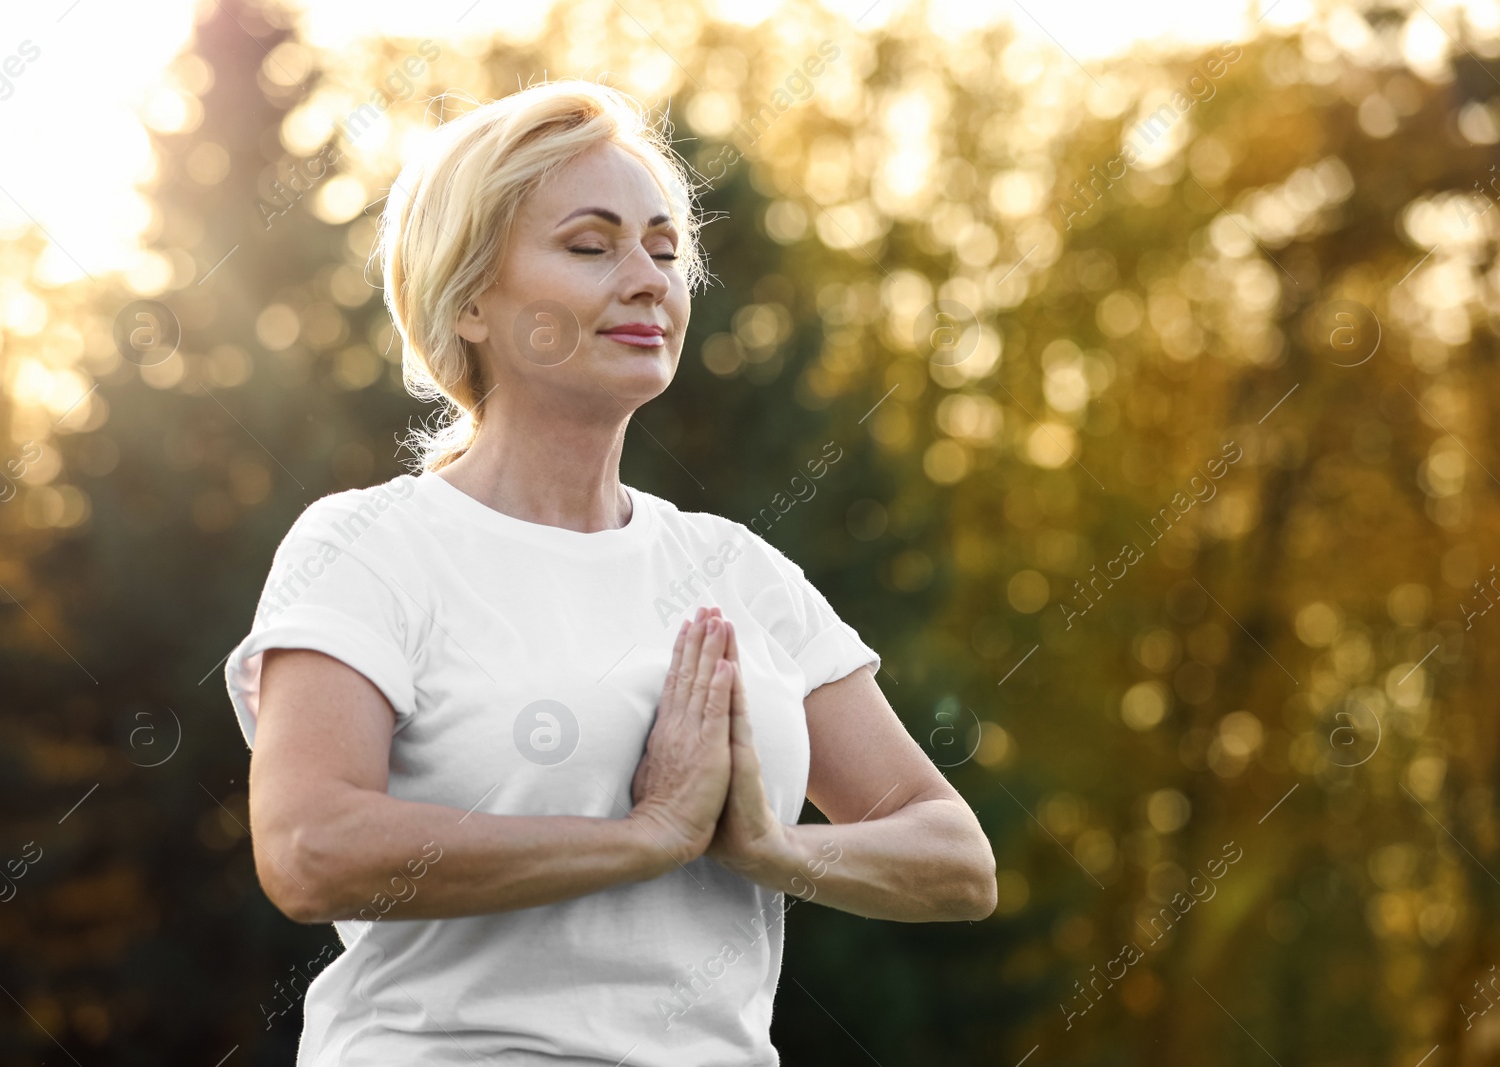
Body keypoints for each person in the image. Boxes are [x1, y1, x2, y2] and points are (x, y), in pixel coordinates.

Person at [225, 77, 996, 1066]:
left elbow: (953, 856)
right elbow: (309, 849)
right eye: (591, 247)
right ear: (467, 300)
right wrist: (647, 836)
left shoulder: (736, 567)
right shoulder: (368, 547)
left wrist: (770, 847)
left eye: (666, 249)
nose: (647, 278)